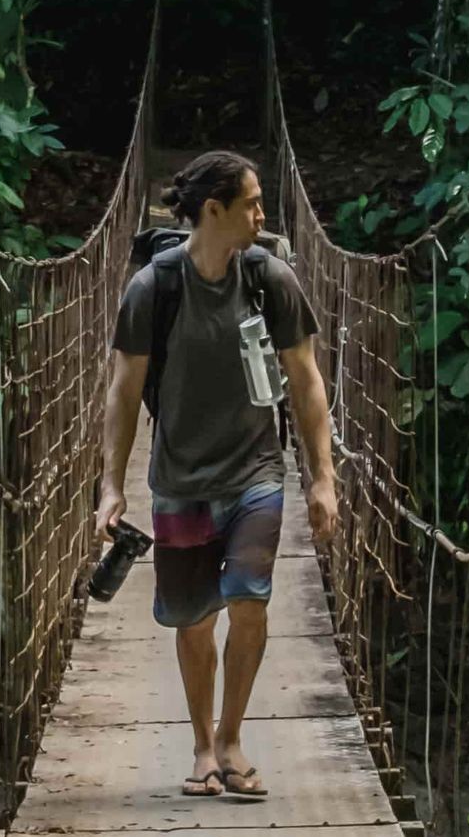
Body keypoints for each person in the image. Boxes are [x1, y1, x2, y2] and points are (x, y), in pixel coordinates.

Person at [93, 150, 341, 800]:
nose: (263, 215)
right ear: (215, 211)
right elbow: (124, 391)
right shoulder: (155, 289)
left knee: (250, 600)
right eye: (252, 204)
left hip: (256, 468)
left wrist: (323, 477)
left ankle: (231, 738)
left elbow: (306, 379)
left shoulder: (271, 280)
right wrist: (113, 485)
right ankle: (202, 748)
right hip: (180, 478)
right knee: (194, 619)